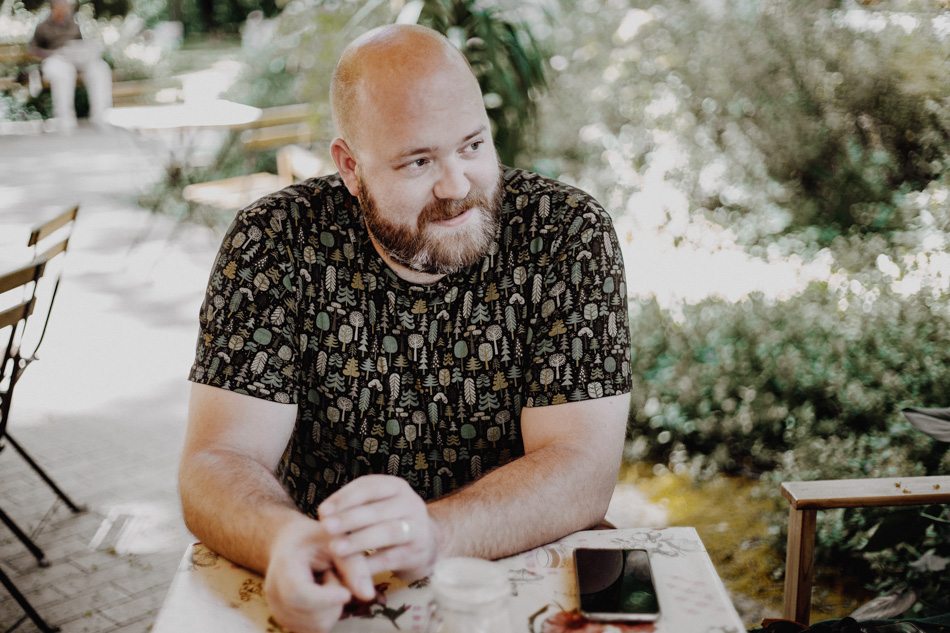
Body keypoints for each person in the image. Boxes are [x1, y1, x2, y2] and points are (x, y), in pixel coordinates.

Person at [179, 24, 632, 633]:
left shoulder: (566, 233)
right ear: (350, 166)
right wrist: (283, 540)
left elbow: (583, 467)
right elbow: (218, 459)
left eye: (472, 146)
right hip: (340, 581)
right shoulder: (274, 242)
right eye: (419, 161)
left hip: (527, 584)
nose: (456, 186)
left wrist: (435, 533)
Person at [28, 0, 112, 132]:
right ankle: (65, 119)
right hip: (54, 61)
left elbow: (80, 44)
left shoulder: (74, 25)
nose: (65, 10)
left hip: (76, 60)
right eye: (61, 6)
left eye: (66, 7)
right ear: (53, 8)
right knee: (63, 73)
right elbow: (32, 51)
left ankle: (100, 117)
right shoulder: (42, 27)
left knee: (100, 68)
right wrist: (54, 53)